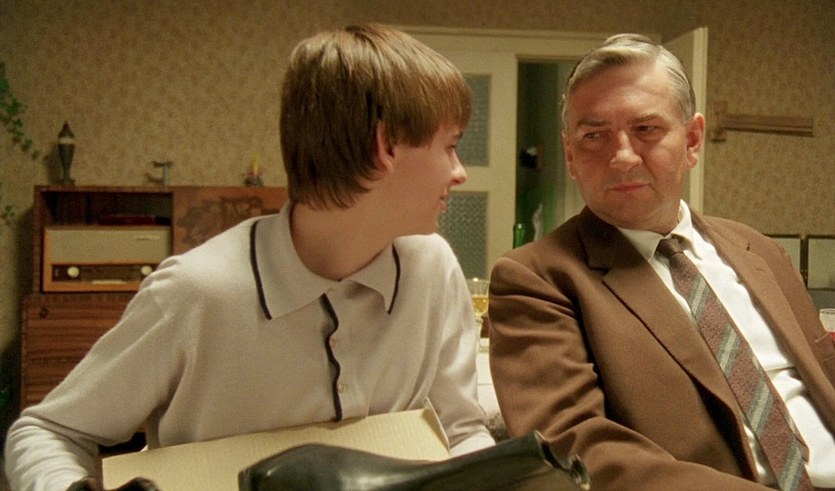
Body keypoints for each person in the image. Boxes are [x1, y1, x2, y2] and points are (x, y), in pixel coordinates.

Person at [5, 24, 494, 490]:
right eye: (450, 147)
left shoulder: (433, 268)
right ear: (384, 146)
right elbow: (45, 432)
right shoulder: (196, 294)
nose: (459, 173)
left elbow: (462, 431)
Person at [488, 33, 835, 491]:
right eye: (594, 136)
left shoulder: (760, 251)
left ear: (692, 140)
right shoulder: (538, 279)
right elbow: (575, 450)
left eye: (646, 129)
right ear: (570, 155)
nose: (622, 156)